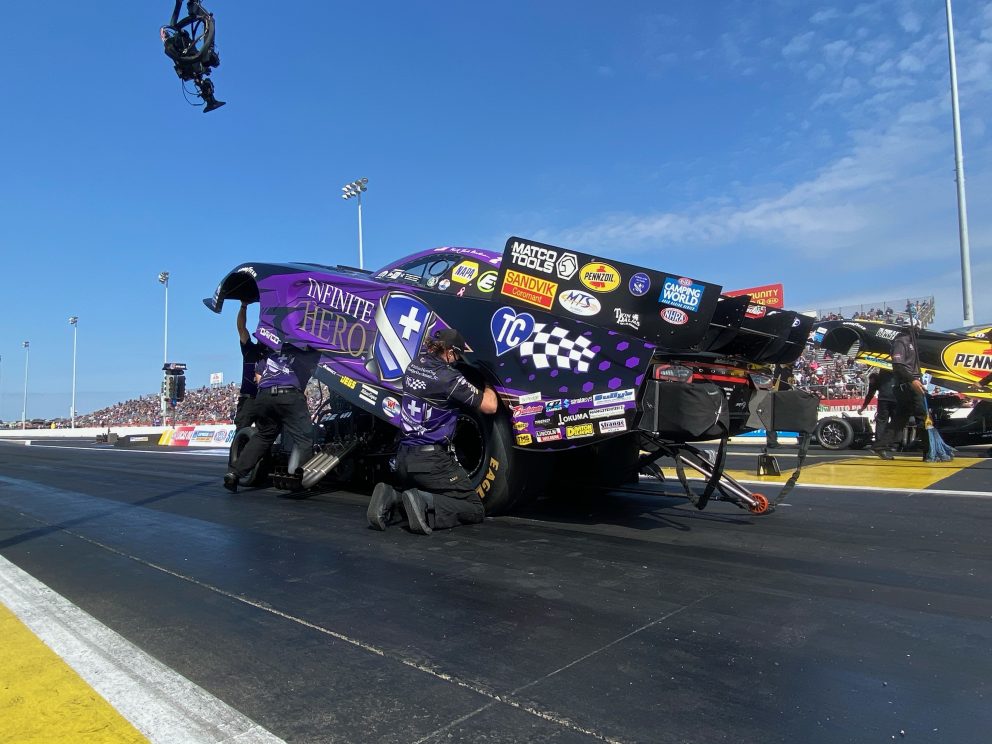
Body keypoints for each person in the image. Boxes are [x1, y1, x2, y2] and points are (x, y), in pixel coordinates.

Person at [367, 328, 498, 534]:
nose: (456, 360)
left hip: (403, 458)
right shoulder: (448, 378)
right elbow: (490, 406)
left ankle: (393, 497)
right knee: (474, 508)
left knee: (426, 491)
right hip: (431, 462)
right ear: (448, 352)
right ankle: (423, 502)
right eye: (456, 355)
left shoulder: (414, 365)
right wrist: (490, 382)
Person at [224, 345, 320, 492]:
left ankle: (234, 473)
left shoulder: (272, 355)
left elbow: (258, 376)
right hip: (289, 394)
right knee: (305, 437)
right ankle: (299, 479)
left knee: (263, 436)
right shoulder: (305, 353)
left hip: (264, 396)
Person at [871, 331, 926, 460]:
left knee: (900, 418)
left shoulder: (912, 343)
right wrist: (913, 380)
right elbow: (898, 366)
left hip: (908, 384)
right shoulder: (901, 341)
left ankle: (880, 445)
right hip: (908, 385)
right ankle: (929, 450)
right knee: (922, 417)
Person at [234, 301, 268, 431]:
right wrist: (244, 306)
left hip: (265, 400)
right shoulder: (250, 350)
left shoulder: (272, 354)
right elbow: (241, 328)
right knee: (241, 432)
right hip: (248, 399)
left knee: (265, 435)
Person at [859, 369, 897, 447]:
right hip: (896, 399)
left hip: (884, 399)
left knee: (882, 421)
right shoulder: (898, 374)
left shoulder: (877, 377)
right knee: (896, 421)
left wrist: (864, 406)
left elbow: (870, 394)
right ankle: (895, 443)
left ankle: (879, 443)